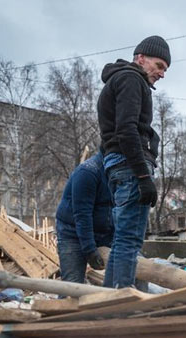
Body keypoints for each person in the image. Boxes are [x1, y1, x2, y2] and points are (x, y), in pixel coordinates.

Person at [98, 35, 170, 288]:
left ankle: (110, 301)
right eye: (159, 66)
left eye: (165, 69)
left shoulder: (118, 80)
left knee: (122, 240)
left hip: (119, 165)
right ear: (140, 58)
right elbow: (126, 129)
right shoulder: (131, 79)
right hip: (130, 167)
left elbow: (111, 135)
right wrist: (142, 176)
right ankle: (123, 307)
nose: (161, 74)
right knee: (129, 241)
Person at [55, 151, 113, 284]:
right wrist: (90, 250)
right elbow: (82, 215)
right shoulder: (88, 172)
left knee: (130, 276)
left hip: (103, 233)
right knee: (72, 286)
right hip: (72, 232)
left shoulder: (119, 173)